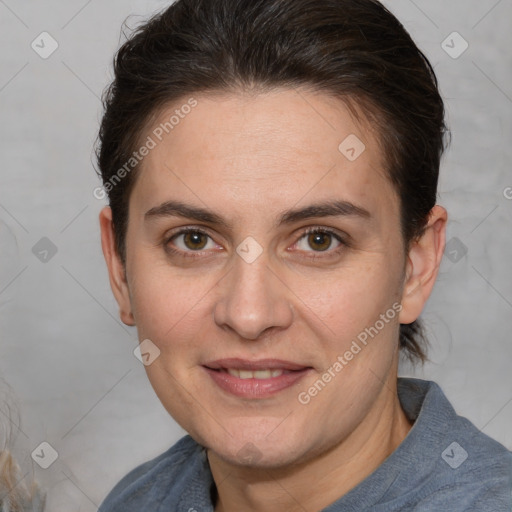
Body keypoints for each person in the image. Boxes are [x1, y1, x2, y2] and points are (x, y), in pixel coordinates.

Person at [94, 0, 512, 510]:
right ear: (119, 267)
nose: (249, 315)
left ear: (415, 267)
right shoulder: (137, 501)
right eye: (194, 240)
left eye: (319, 240)